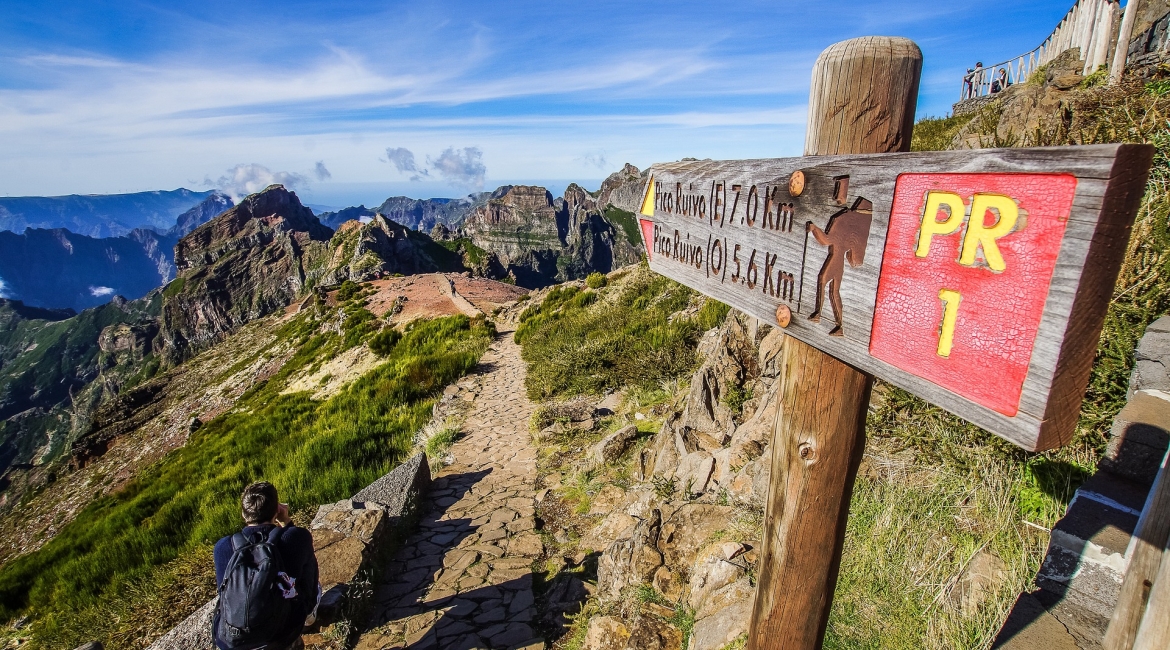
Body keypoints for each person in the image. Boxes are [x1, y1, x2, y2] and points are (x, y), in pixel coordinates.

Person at [213, 481, 319, 650]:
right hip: (280, 636)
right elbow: (301, 558)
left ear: (243, 513)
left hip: (232, 640)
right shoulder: (296, 537)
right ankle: (309, 617)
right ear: (277, 510)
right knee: (309, 570)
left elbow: (223, 591)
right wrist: (287, 522)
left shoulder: (223, 547)